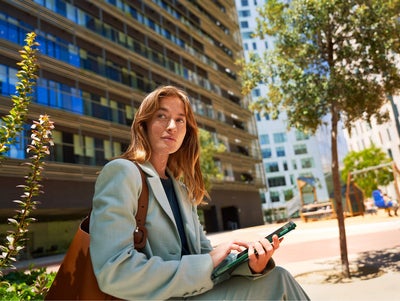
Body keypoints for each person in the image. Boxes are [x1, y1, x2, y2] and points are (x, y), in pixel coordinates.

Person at [89, 85, 310, 300]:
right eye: (161, 116)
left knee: (276, 275)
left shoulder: (182, 190)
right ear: (143, 125)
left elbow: (205, 255)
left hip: (196, 294)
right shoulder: (122, 172)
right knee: (279, 282)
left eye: (180, 120)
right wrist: (208, 261)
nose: (172, 126)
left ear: (187, 131)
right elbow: (114, 272)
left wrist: (251, 264)